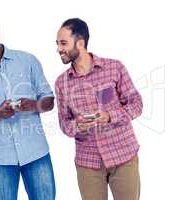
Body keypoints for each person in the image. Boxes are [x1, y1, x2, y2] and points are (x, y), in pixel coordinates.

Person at [0, 17, 56, 200]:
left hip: (36, 153)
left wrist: (33, 105)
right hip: (0, 160)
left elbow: (49, 100)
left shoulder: (27, 61)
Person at [55, 18, 142, 200]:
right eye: (57, 44)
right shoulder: (61, 83)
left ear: (80, 43)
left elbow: (136, 104)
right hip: (88, 163)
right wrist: (77, 125)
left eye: (63, 43)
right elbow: (64, 124)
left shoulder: (114, 67)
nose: (58, 49)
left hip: (123, 156)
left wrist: (110, 116)